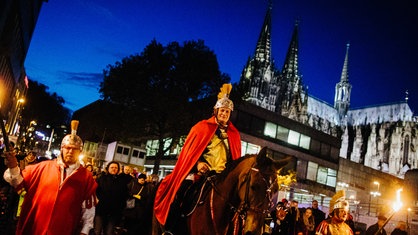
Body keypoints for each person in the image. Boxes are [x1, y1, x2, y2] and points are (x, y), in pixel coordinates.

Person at [154, 83, 242, 233]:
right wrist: (198, 163)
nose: (224, 114)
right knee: (181, 194)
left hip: (222, 177)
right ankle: (171, 229)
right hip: (202, 174)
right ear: (215, 111)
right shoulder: (201, 127)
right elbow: (190, 153)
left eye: (227, 111)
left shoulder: (234, 134)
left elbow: (234, 160)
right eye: (222, 110)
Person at [2, 120, 97, 235]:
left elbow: (88, 209)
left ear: (80, 151)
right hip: (36, 227)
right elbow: (18, 181)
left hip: (64, 229)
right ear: (62, 148)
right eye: (68, 148)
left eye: (75, 149)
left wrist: (85, 230)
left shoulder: (86, 177)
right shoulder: (42, 167)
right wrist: (13, 166)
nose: (70, 151)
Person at [94, 161, 131, 235]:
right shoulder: (101, 179)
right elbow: (95, 191)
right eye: (112, 167)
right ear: (108, 168)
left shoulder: (121, 181)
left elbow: (124, 195)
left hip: (114, 212)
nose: (114, 169)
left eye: (116, 168)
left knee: (109, 232)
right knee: (97, 231)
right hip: (101, 210)